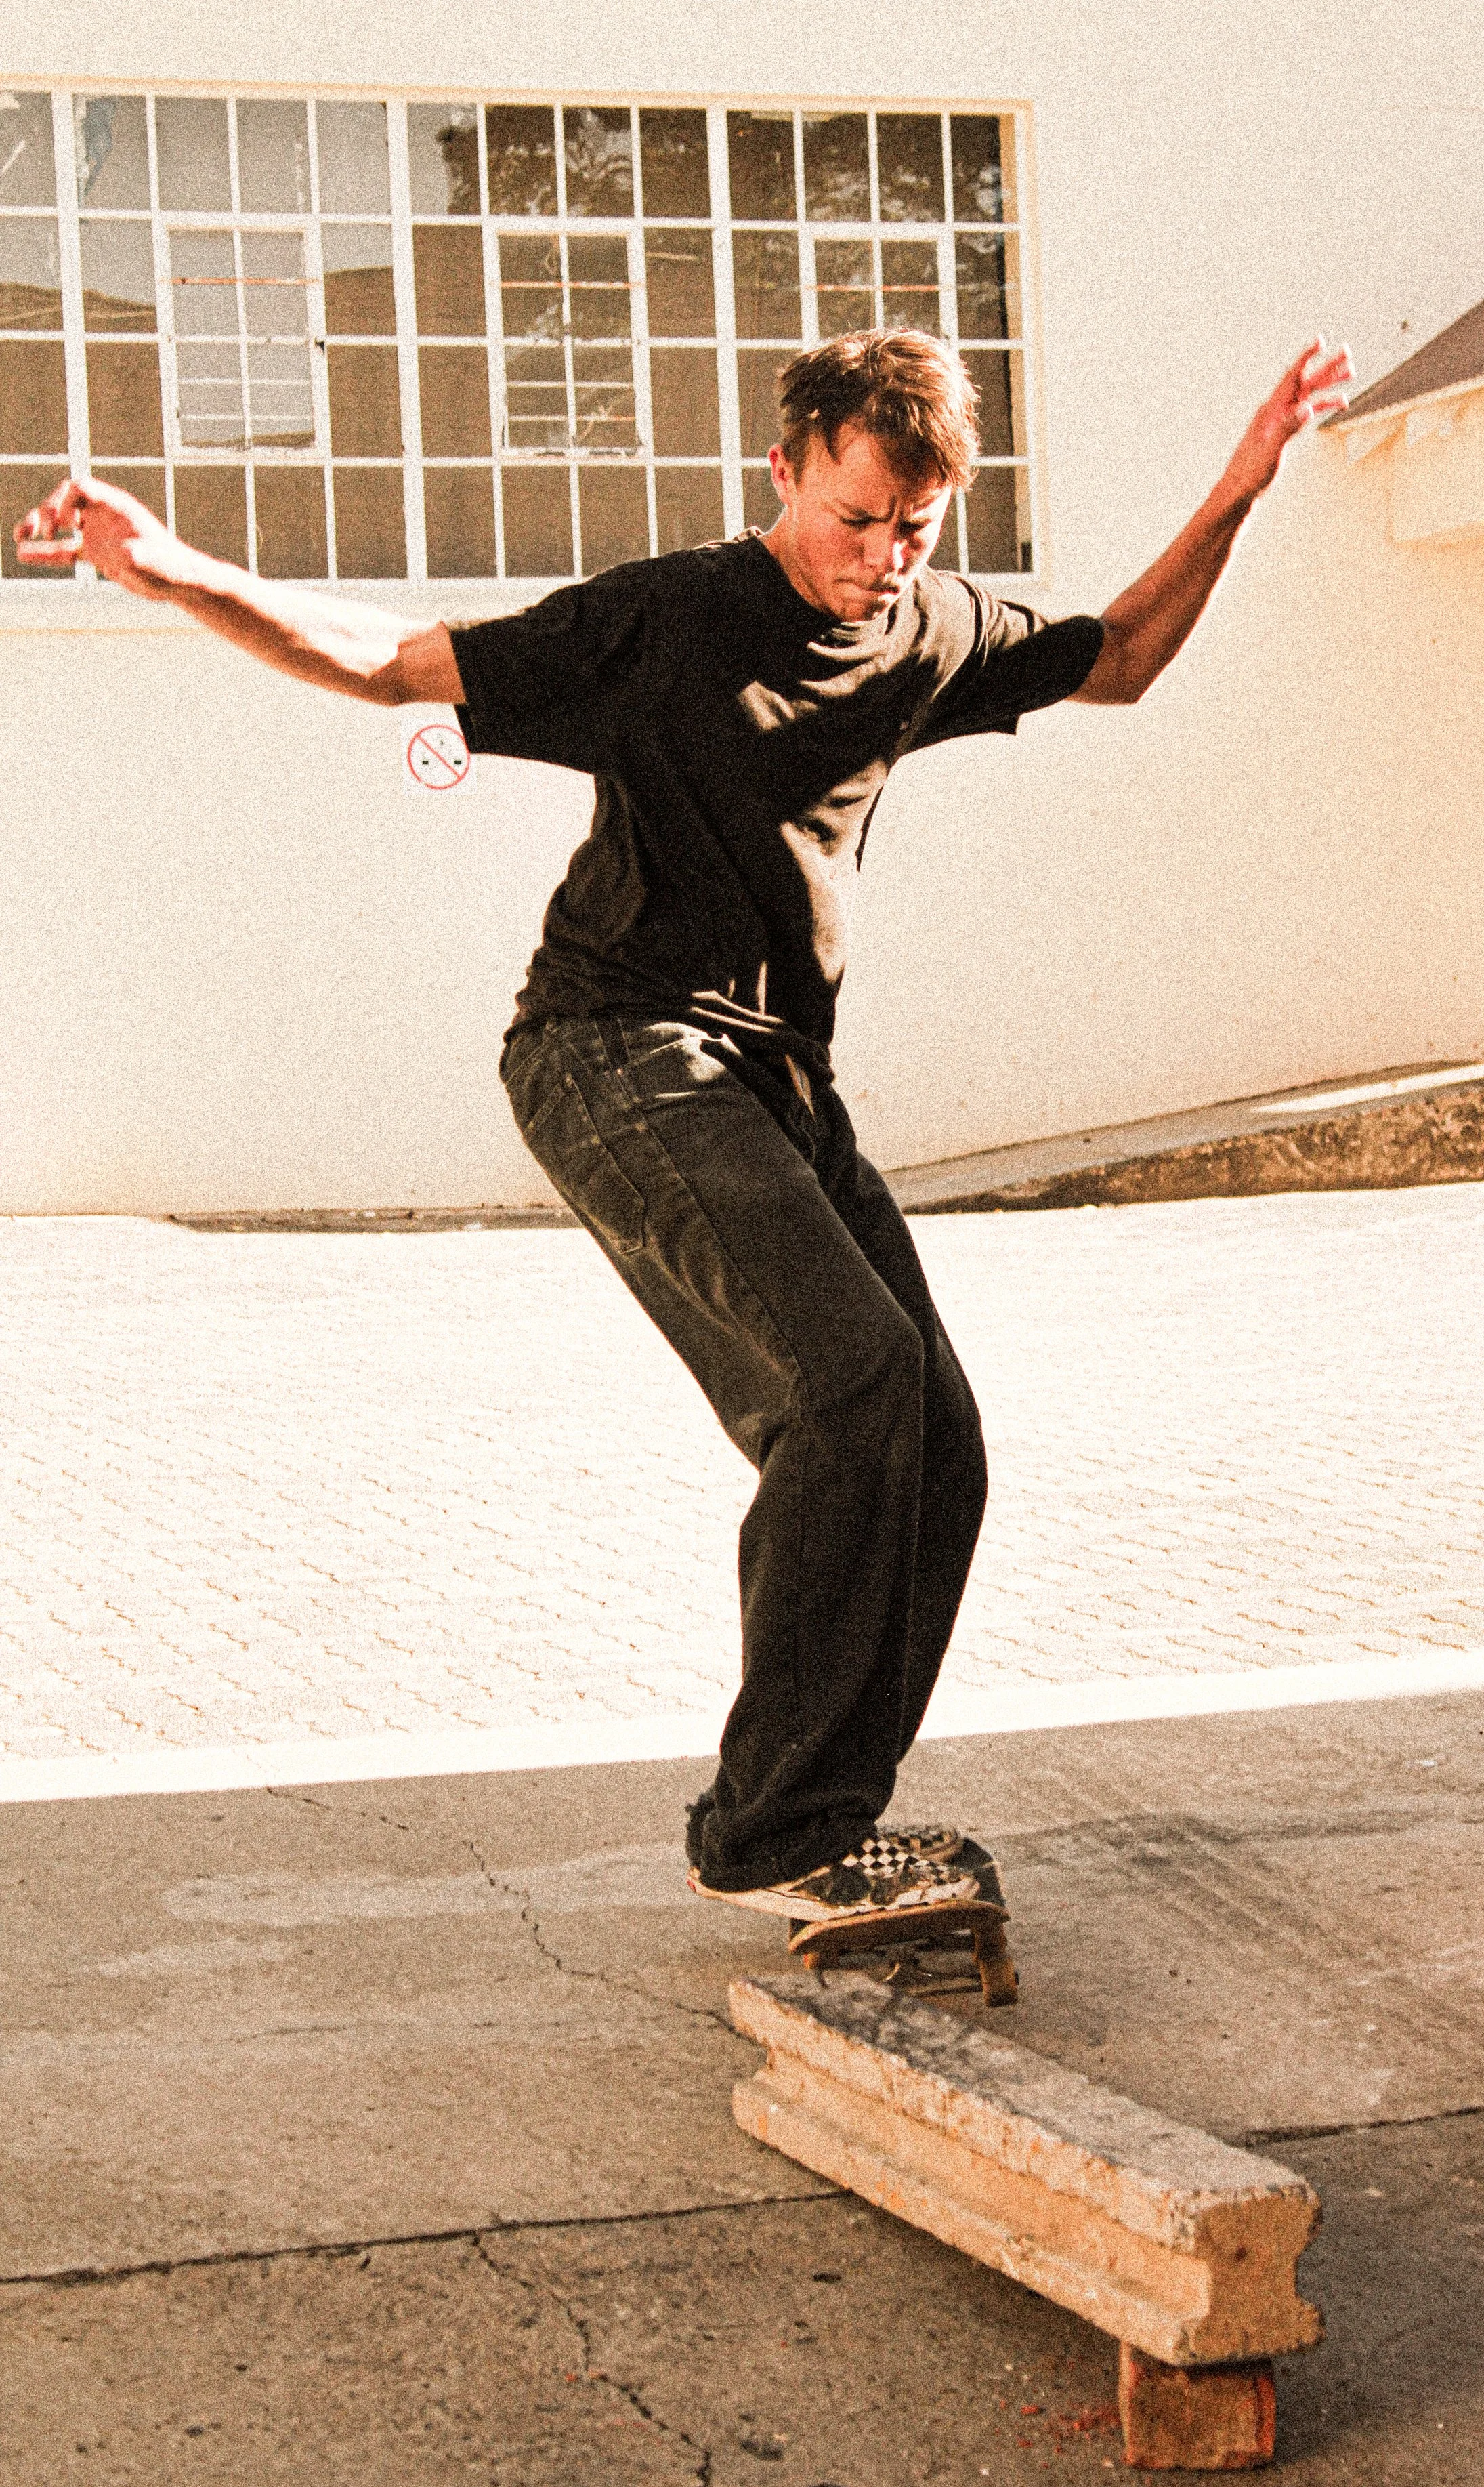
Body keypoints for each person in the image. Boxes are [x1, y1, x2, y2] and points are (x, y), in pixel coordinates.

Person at [15, 326, 1352, 1930]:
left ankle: (823, 1824)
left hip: (778, 1078)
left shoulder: (927, 628)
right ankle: (774, 1830)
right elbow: (392, 664)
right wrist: (167, 568)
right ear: (784, 469)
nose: (877, 560)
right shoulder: (669, 615)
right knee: (846, 1381)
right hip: (611, 1044)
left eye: (912, 529)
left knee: (934, 1438)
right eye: (852, 519)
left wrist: (1239, 482)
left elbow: (1122, 654)